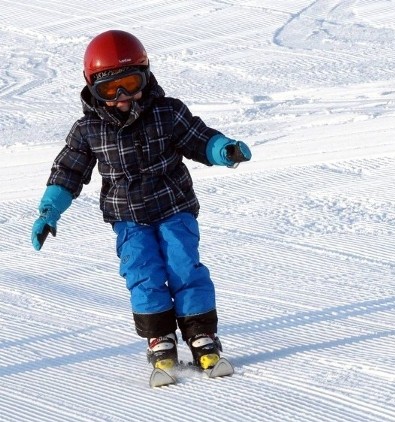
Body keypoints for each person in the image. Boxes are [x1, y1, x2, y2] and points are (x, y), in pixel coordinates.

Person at [30, 29, 251, 372]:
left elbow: (198, 138)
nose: (121, 97)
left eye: (130, 84)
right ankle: (159, 336)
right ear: (92, 88)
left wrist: (224, 150)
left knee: (183, 266)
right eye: (108, 89)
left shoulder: (168, 112)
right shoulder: (88, 130)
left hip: (174, 207)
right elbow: (68, 171)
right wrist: (49, 210)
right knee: (142, 273)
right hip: (129, 218)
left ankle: (200, 333)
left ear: (145, 76)